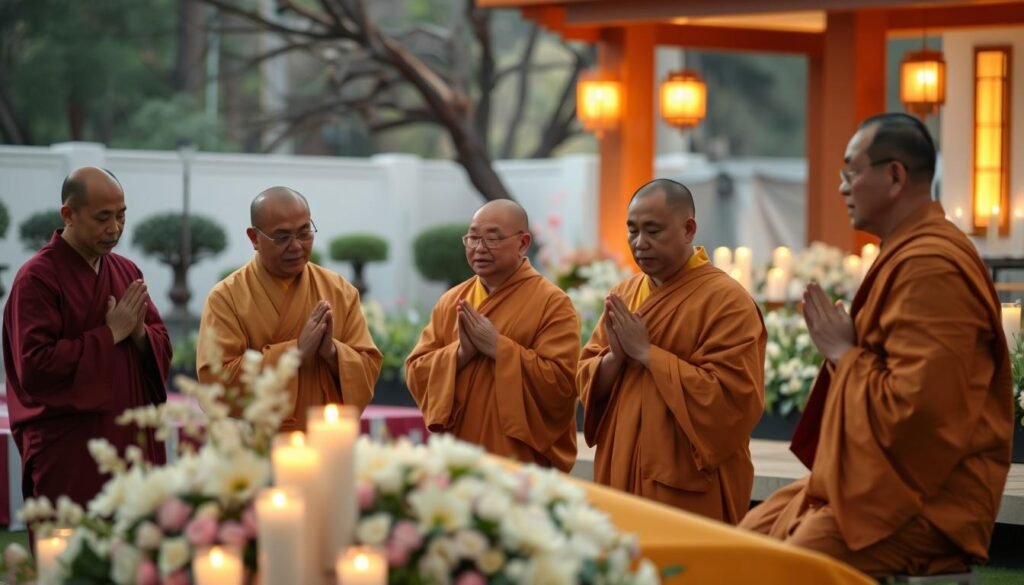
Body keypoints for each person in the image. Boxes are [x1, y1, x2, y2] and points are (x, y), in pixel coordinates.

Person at [740, 113, 1012, 576]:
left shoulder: (933, 266)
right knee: (738, 543)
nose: (843, 188)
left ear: (894, 176)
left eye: (851, 172)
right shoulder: (910, 252)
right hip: (875, 483)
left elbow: (921, 409)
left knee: (783, 568)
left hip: (926, 499)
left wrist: (842, 352)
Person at [577, 178, 766, 523]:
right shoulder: (625, 292)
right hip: (620, 467)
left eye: (653, 231)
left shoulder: (727, 301)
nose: (639, 243)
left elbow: (733, 401)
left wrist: (648, 354)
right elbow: (586, 373)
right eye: (632, 230)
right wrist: (615, 359)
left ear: (688, 229)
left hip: (683, 482)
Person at [2, 167, 171, 505]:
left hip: (130, 441)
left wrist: (138, 334)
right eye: (102, 218)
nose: (115, 229)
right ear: (69, 214)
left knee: (137, 550)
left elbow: (161, 343)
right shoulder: (36, 279)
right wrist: (110, 334)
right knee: (74, 551)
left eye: (122, 216)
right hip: (71, 449)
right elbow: (35, 367)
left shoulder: (126, 270)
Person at [405, 200, 579, 470]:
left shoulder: (552, 303)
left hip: (518, 461)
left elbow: (561, 387)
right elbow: (417, 371)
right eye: (473, 238)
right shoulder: (452, 301)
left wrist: (498, 347)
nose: (479, 248)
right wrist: (460, 354)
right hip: (460, 456)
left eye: (493, 238)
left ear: (522, 243)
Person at [197, 187, 381, 431]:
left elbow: (368, 367)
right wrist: (293, 354)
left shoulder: (339, 290)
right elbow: (216, 382)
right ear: (254, 238)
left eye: (304, 233)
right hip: (257, 445)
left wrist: (333, 353)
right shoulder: (226, 298)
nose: (296, 246)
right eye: (282, 237)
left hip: (325, 438)